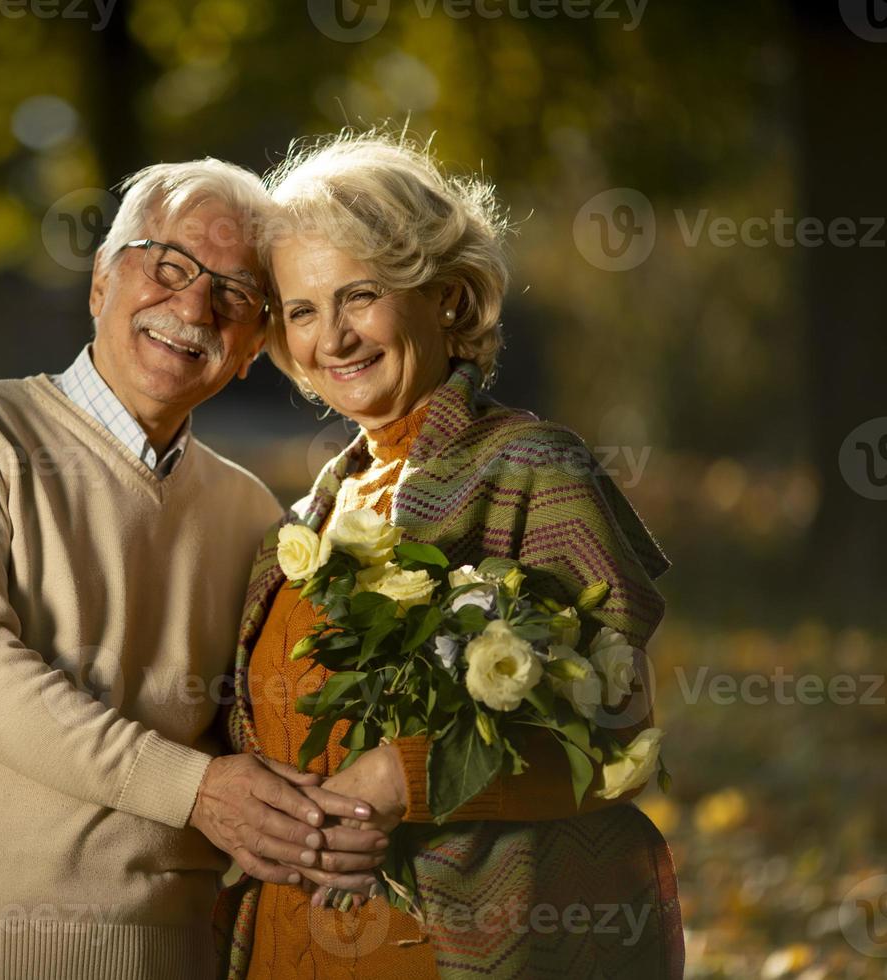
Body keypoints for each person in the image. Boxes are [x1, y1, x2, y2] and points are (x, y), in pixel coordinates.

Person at [0, 158, 386, 980]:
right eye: (167, 264)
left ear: (253, 348)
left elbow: (266, 731)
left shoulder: (255, 520)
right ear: (101, 279)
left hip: (169, 958)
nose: (192, 305)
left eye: (235, 296)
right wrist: (198, 790)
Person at [215, 133, 683, 979]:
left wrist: (404, 777)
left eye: (360, 295)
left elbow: (617, 733)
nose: (335, 337)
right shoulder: (313, 511)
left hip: (461, 950)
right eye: (303, 310)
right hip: (289, 949)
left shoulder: (534, 467)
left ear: (445, 297)